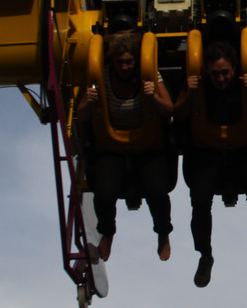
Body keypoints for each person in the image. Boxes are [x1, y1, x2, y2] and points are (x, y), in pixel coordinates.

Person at [176, 39, 247, 287]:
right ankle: (205, 255)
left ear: (234, 69)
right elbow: (178, 114)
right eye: (215, 73)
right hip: (208, 147)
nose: (221, 78)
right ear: (206, 70)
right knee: (200, 201)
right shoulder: (197, 79)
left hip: (246, 145)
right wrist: (190, 93)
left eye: (225, 72)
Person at [75, 32, 176, 262]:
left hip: (147, 146)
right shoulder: (100, 77)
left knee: (157, 192)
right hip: (111, 148)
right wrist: (89, 101)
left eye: (129, 61)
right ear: (112, 61)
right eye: (120, 62)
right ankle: (107, 232)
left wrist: (153, 97)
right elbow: (82, 114)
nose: (124, 67)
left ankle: (163, 233)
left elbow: (169, 109)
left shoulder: (150, 75)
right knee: (103, 193)